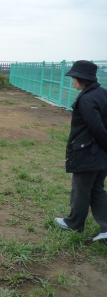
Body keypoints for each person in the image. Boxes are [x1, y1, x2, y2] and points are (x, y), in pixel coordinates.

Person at [55, 60, 107, 245]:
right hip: (101, 154)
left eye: (73, 78)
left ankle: (74, 223)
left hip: (89, 153)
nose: (72, 81)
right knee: (96, 189)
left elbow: (97, 129)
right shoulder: (103, 93)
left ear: (81, 79)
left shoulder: (86, 99)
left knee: (81, 189)